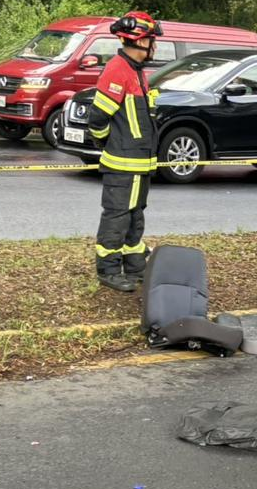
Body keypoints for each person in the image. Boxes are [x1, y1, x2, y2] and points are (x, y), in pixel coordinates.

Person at [87, 11, 162, 292]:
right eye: (152, 40)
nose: (155, 47)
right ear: (140, 41)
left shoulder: (136, 71)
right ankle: (108, 268)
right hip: (124, 163)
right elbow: (97, 119)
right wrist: (107, 142)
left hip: (140, 163)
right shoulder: (118, 70)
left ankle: (134, 264)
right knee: (117, 216)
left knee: (135, 215)